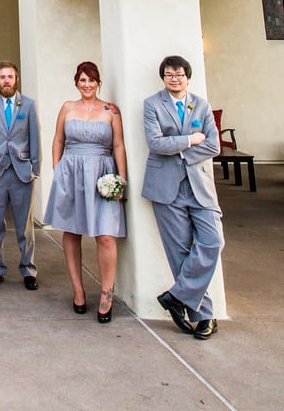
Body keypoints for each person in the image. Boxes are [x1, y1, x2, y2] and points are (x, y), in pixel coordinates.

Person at [142, 54, 222, 341]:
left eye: (178, 74)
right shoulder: (152, 104)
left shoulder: (201, 104)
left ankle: (175, 296)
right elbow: (155, 143)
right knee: (180, 253)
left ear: (188, 77)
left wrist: (180, 151)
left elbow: (213, 145)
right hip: (166, 188)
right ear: (163, 77)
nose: (174, 79)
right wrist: (190, 139)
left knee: (213, 241)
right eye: (169, 74)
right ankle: (203, 315)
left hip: (199, 186)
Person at [44, 60, 126, 323]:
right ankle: (78, 290)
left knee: (106, 236)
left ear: (98, 82)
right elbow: (58, 139)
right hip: (72, 172)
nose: (87, 85)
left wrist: (121, 179)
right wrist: (58, 168)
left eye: (91, 80)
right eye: (82, 80)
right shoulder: (68, 107)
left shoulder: (111, 110)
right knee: (71, 230)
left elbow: (118, 145)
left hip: (102, 172)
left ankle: (106, 293)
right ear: (76, 83)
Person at [0, 60, 39, 289]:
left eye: (10, 77)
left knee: (25, 226)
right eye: (2, 77)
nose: (6, 81)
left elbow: (35, 138)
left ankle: (28, 269)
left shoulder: (28, 105)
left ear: (16, 79)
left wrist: (35, 169)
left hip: (22, 173)